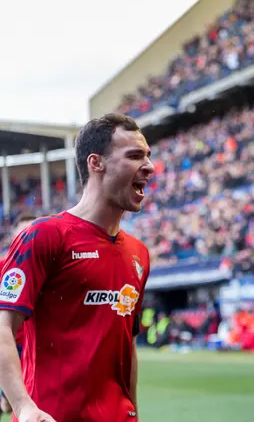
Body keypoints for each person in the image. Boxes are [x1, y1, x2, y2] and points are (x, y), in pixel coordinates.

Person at [0, 113, 154, 422]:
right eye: (135, 156)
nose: (149, 167)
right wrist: (23, 406)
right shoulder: (45, 236)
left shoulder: (139, 254)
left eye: (148, 156)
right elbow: (3, 327)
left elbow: (128, 346)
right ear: (96, 163)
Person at [0, 213, 38, 417]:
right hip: (8, 346)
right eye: (22, 234)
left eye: (32, 234)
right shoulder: (3, 267)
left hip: (37, 351)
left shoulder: (49, 269)